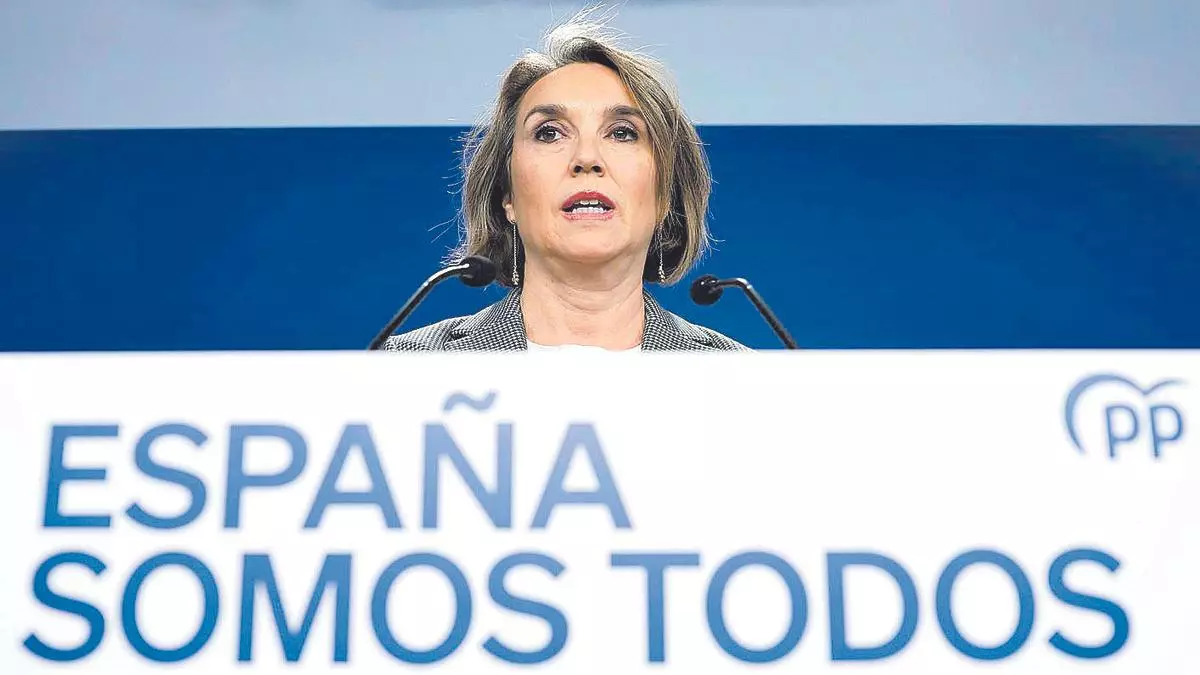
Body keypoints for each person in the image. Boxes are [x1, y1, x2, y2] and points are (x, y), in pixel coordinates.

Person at [384, 9, 747, 352]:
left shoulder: (747, 378)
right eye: (549, 133)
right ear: (507, 194)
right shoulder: (404, 366)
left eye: (622, 133)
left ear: (665, 193)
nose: (586, 159)